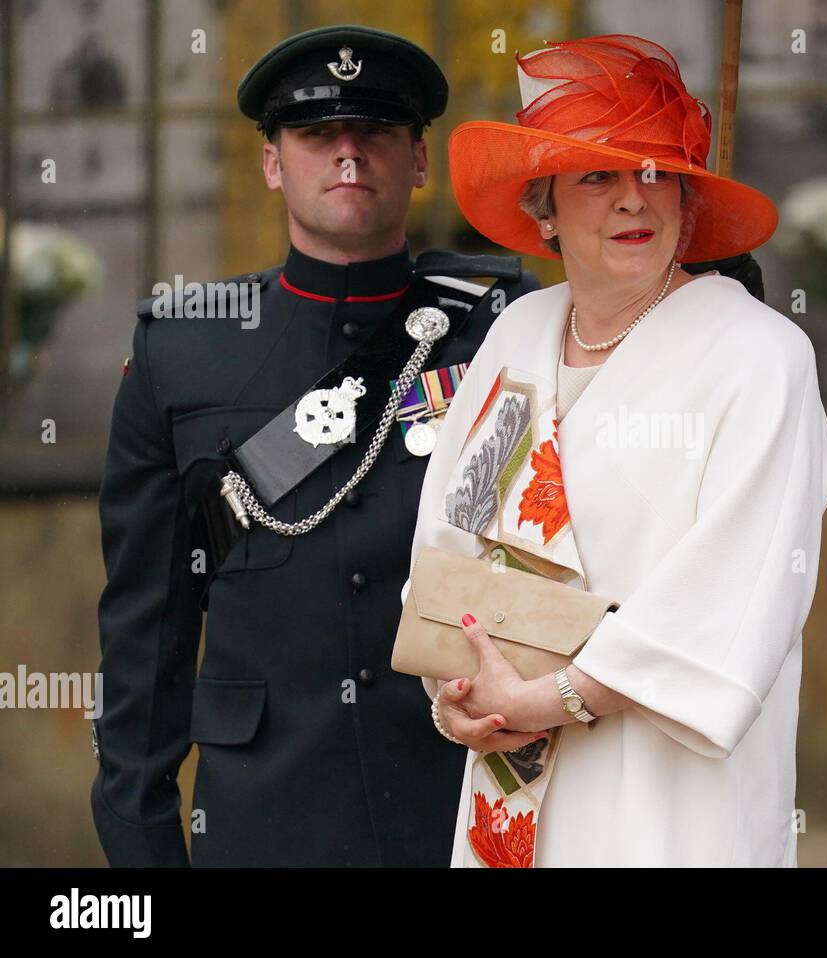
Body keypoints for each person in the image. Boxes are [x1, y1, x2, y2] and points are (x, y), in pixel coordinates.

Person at [91, 25, 541, 866]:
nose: (347, 154)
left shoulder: (506, 326)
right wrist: (141, 844)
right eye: (315, 134)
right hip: (263, 814)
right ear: (272, 161)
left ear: (417, 160)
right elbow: (146, 626)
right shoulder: (183, 347)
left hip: (463, 795)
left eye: (374, 132)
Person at [402, 34, 827, 867]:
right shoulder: (516, 333)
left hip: (673, 801)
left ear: (686, 195)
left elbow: (737, 589)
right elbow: (449, 545)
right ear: (545, 206)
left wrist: (556, 696)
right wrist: (454, 696)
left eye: (655, 171)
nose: (633, 198)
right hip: (510, 781)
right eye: (598, 175)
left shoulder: (758, 355)